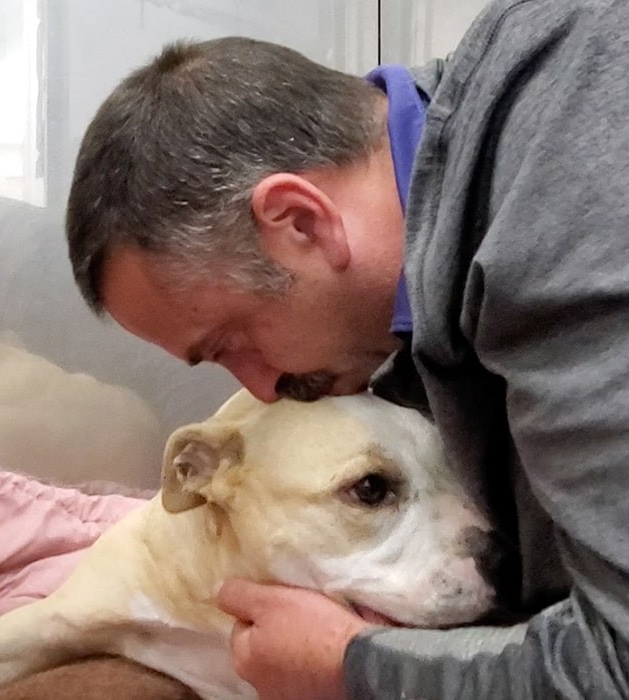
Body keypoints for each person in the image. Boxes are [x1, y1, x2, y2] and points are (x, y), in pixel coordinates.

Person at [65, 0, 629, 697]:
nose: (263, 388)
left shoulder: (564, 210)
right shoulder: (449, 161)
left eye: (233, 343)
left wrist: (351, 666)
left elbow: (619, 664)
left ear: (300, 220)